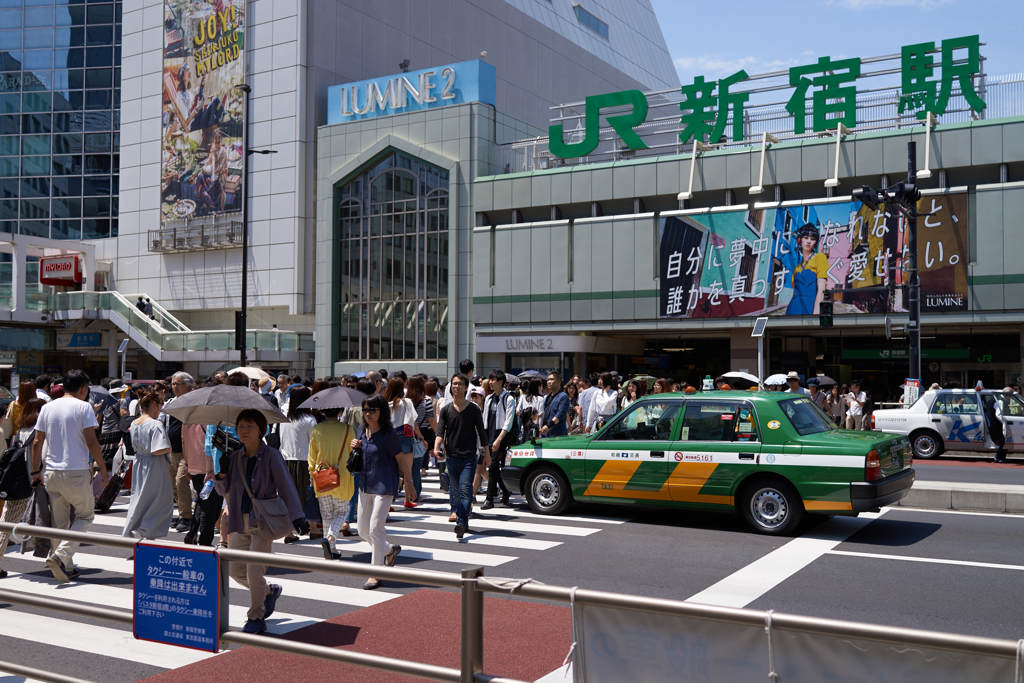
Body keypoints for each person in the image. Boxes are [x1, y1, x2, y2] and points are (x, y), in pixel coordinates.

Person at [214, 409, 306, 634]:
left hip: (263, 521)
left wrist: (297, 516)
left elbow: (286, 486)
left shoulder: (272, 455)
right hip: (239, 519)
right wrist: (222, 473)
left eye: (249, 426)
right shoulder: (235, 456)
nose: (244, 430)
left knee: (254, 572)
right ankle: (267, 592)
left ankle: (256, 617)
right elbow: (223, 490)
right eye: (241, 426)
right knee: (235, 570)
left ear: (261, 430)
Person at [30, 369, 107, 583]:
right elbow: (92, 442)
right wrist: (103, 469)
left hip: (51, 472)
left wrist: (36, 471)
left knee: (60, 522)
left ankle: (67, 566)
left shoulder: (48, 407)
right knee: (85, 516)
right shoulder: (84, 408)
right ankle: (61, 556)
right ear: (83, 388)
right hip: (76, 471)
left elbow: (37, 442)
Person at [349, 395, 402, 589]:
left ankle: (375, 573)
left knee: (375, 529)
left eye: (372, 410)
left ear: (382, 412)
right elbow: (361, 454)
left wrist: (410, 482)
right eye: (365, 410)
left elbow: (401, 457)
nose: (368, 414)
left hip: (385, 485)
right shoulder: (362, 429)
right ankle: (388, 550)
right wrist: (355, 446)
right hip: (365, 483)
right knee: (363, 530)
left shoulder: (389, 434)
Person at [433, 374, 489, 539]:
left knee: (465, 490)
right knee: (455, 491)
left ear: (466, 387)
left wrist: (487, 454)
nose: (456, 386)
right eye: (454, 384)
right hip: (451, 456)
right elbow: (440, 432)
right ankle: (461, 518)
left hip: (469, 457)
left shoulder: (473, 409)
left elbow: (482, 433)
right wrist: (437, 447)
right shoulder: (446, 409)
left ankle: (461, 522)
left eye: (459, 384)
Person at [0, 398, 45, 578]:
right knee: (6, 524)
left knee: (7, 520)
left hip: (16, 480)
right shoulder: (38, 432)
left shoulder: (21, 431)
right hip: (28, 480)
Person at [122, 392, 174, 546]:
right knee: (158, 501)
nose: (160, 409)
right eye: (159, 405)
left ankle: (134, 531)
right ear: (153, 405)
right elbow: (158, 449)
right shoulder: (155, 424)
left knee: (140, 499)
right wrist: (169, 448)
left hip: (140, 462)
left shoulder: (135, 422)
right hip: (154, 464)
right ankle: (145, 533)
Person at [307, 405, 355, 560]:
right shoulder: (347, 429)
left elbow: (312, 456)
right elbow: (353, 452)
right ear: (340, 411)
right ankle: (331, 538)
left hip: (321, 476)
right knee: (342, 511)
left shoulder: (317, 429)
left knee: (326, 514)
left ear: (323, 411)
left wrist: (311, 473)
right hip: (342, 476)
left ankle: (331, 550)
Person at [279, 386, 316, 543]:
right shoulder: (309, 419)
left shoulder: (284, 416)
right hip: (303, 460)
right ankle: (313, 529)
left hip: (285, 460)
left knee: (288, 497)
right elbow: (314, 443)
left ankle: (289, 532)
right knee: (308, 496)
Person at [164, 372, 195, 533]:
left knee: (180, 482)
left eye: (178, 384)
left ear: (188, 386)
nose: (174, 387)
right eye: (173, 384)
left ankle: (186, 517)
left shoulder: (192, 403)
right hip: (171, 449)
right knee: (172, 484)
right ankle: (184, 512)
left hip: (187, 450)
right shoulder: (171, 402)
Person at [384, 377, 422, 508]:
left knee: (390, 471)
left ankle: (388, 502)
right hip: (404, 436)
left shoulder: (384, 403)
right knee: (407, 470)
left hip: (389, 436)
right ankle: (408, 499)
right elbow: (412, 421)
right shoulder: (406, 402)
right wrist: (421, 437)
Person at [481, 370, 516, 509]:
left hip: (501, 436)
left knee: (493, 466)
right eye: (489, 379)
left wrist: (499, 440)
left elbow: (509, 422)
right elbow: (484, 420)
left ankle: (489, 499)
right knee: (494, 468)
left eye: (493, 379)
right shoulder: (489, 398)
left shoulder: (509, 399)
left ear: (501, 381)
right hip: (489, 436)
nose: (490, 382)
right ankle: (506, 490)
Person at [785, 222, 828, 315]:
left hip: (809, 309)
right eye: (805, 238)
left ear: (815, 242)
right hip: (793, 309)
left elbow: (821, 290)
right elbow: (794, 293)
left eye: (812, 239)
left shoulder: (820, 258)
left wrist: (816, 315)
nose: (808, 241)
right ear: (800, 240)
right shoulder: (797, 268)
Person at [2, 381, 36, 446]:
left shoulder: (13, 405)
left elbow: (7, 425)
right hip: (34, 437)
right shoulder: (38, 405)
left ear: (20, 391)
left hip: (17, 438)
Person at [541, 373, 570, 437]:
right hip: (545, 434)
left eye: (551, 379)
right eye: (548, 380)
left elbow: (559, 415)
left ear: (559, 381)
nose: (548, 382)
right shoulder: (547, 397)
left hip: (557, 435)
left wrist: (548, 426)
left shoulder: (563, 396)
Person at [983, 392, 1007, 463]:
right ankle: (998, 457)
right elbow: (998, 415)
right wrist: (1005, 422)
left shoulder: (994, 400)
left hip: (991, 423)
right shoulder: (1000, 401)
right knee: (1004, 441)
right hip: (996, 424)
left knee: (1004, 441)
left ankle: (1000, 457)